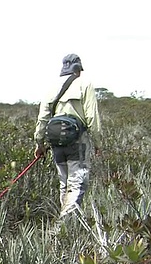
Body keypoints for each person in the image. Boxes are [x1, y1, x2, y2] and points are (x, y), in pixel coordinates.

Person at [33, 54, 101, 218]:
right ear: (78, 69)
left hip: (56, 142)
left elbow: (42, 118)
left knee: (64, 184)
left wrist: (39, 143)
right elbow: (92, 117)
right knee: (77, 184)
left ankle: (64, 221)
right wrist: (98, 143)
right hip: (78, 142)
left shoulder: (51, 87)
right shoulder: (85, 84)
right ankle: (64, 227)